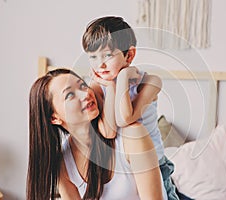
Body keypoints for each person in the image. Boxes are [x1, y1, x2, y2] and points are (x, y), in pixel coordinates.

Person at [26, 68, 167, 200]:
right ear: (54, 117)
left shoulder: (132, 136)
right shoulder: (63, 165)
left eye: (82, 85)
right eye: (69, 94)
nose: (85, 94)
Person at [82, 16, 179, 200]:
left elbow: (125, 119)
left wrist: (124, 78)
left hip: (153, 167)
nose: (99, 64)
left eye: (107, 55)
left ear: (129, 55)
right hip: (118, 169)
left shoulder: (150, 82)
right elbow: (109, 131)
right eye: (93, 57)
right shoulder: (97, 87)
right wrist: (110, 87)